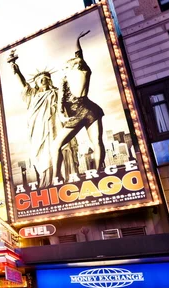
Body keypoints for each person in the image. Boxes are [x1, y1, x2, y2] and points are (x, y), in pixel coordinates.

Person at [52, 30, 105, 182]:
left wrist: (61, 114)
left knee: (56, 146)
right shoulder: (85, 71)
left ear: (70, 67)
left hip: (77, 113)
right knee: (97, 141)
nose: (63, 69)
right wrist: (77, 39)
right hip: (91, 109)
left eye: (65, 67)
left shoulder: (67, 77)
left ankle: (56, 176)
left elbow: (61, 100)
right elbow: (79, 55)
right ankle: (98, 171)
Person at [7, 49, 57, 188]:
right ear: (36, 83)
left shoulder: (55, 93)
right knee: (40, 155)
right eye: (39, 79)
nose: (42, 80)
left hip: (52, 128)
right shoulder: (32, 95)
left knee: (52, 152)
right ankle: (44, 181)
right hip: (36, 129)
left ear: (49, 80)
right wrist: (16, 69)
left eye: (45, 78)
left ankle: (54, 180)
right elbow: (23, 84)